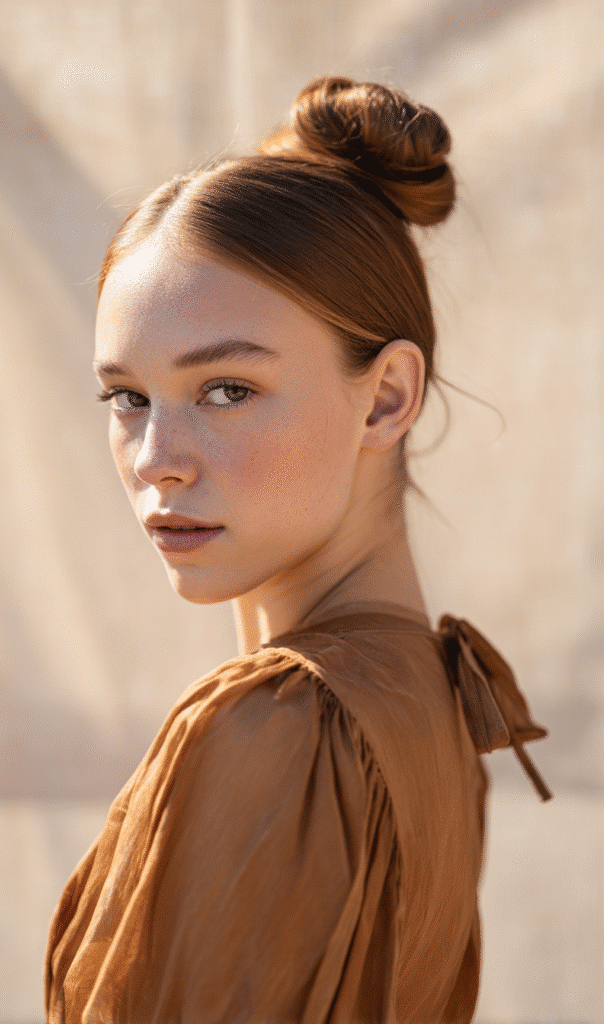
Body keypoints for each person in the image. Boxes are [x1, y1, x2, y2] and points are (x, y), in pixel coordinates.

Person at [44, 76, 551, 1024]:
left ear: (387, 397)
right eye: (128, 398)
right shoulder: (436, 690)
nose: (158, 461)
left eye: (227, 389)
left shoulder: (286, 726)